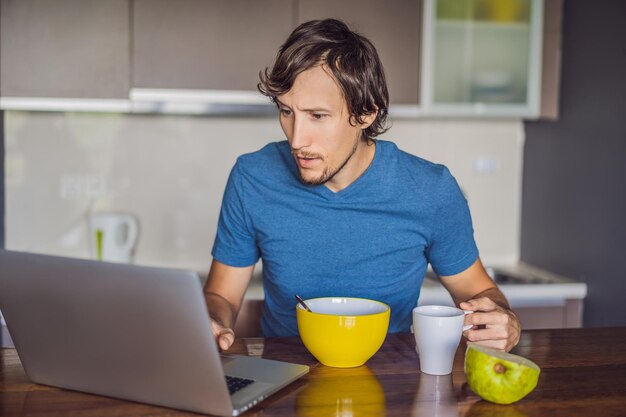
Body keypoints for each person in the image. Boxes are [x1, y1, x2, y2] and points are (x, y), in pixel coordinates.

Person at [204, 18, 521, 353]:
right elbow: (221, 295)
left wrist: (503, 319)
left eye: (318, 116)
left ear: (367, 113)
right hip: (283, 384)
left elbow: (478, 293)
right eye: (286, 112)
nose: (297, 139)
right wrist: (213, 322)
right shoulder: (252, 178)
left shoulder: (431, 190)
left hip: (393, 387)